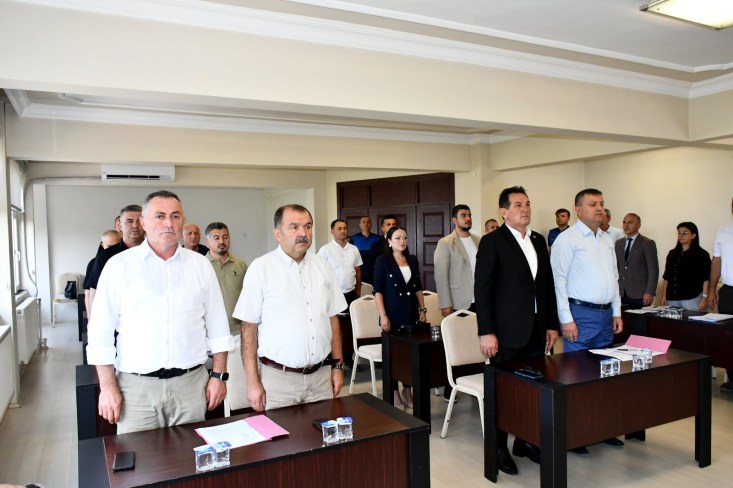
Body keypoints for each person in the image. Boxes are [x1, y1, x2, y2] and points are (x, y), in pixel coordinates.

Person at [86, 190, 233, 434]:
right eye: (160, 216)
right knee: (138, 457)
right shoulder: (119, 266)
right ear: (143, 223)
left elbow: (218, 325)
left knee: (190, 454)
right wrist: (108, 386)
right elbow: (100, 333)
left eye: (175, 216)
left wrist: (218, 376)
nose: (168, 223)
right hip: (136, 389)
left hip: (190, 386)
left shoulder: (200, 265)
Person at [475, 186, 559, 475]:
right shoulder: (493, 242)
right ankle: (498, 447)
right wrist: (486, 331)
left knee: (532, 390)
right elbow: (482, 290)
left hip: (536, 330)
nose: (525, 209)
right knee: (505, 393)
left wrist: (551, 323)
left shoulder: (537, 240)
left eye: (527, 204)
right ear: (504, 212)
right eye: (518, 205)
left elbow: (545, 286)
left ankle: (525, 441)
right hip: (505, 333)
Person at [234, 204, 346, 411]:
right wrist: (252, 382)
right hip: (279, 381)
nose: (303, 233)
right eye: (294, 227)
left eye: (308, 226)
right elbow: (248, 328)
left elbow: (333, 320)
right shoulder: (261, 268)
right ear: (278, 233)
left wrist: (337, 366)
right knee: (280, 433)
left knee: (323, 430)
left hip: (321, 377)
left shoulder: (323, 266)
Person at [551, 188, 624, 453]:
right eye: (593, 204)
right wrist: (566, 319)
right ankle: (575, 434)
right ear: (578, 209)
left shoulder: (606, 239)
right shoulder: (567, 239)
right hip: (579, 315)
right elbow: (558, 281)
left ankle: (601, 428)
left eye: (602, 203)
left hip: (605, 315)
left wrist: (616, 311)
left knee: (604, 376)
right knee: (577, 377)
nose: (599, 208)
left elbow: (614, 278)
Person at [374, 226, 426, 409]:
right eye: (397, 238)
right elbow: (378, 291)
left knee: (410, 355)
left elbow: (418, 287)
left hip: (410, 313)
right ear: (389, 241)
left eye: (404, 237)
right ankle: (394, 391)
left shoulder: (412, 259)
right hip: (392, 314)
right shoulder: (382, 261)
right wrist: (383, 315)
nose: (402, 241)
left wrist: (423, 309)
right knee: (394, 356)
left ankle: (407, 389)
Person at [434, 204, 480, 402]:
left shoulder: (479, 240)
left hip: (479, 300)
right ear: (454, 220)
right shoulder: (445, 243)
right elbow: (440, 275)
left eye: (469, 215)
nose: (467, 218)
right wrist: (445, 303)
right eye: (463, 215)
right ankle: (449, 387)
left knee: (477, 344)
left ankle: (475, 386)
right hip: (457, 301)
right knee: (456, 346)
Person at [86, 204, 145, 318]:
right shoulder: (106, 256)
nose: (135, 225)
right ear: (120, 226)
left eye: (139, 221)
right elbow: (94, 292)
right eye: (129, 221)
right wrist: (92, 321)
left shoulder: (156, 253)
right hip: (115, 318)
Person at [205, 222, 248, 336]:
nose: (221, 241)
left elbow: (249, 297)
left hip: (238, 332)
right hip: (210, 332)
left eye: (225, 237)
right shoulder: (201, 266)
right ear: (207, 242)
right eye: (216, 238)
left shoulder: (241, 264)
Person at [710, 197, 733, 392]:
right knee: (728, 337)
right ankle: (731, 379)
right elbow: (716, 262)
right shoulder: (723, 231)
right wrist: (711, 289)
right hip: (728, 291)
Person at [660, 222, 711, 311]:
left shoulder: (702, 254)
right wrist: (664, 296)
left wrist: (704, 297)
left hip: (692, 298)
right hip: (672, 298)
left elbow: (706, 278)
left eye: (685, 233)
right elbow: (667, 277)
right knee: (671, 320)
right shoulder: (672, 253)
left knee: (692, 320)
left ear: (693, 236)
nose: (681, 235)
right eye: (679, 233)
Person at [615, 213, 659, 308]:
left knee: (639, 318)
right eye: (624, 222)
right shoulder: (618, 244)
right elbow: (616, 268)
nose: (626, 225)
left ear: (638, 225)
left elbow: (653, 270)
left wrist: (650, 292)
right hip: (621, 293)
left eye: (630, 222)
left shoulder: (647, 243)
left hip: (640, 294)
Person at [318, 219, 363, 308]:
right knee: (336, 317)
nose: (343, 231)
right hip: (334, 294)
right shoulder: (325, 250)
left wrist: (358, 290)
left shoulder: (354, 249)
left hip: (351, 293)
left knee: (353, 316)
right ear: (332, 231)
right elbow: (319, 273)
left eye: (345, 228)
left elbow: (358, 270)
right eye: (339, 229)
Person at [83, 229, 121, 319]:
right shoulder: (93, 263)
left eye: (116, 246)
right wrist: (90, 317)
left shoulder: (125, 260)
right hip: (103, 310)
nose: (112, 250)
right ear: (102, 245)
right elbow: (88, 292)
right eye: (109, 247)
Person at [349, 216, 380, 284]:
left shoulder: (378, 238)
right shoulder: (354, 238)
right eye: (363, 222)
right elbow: (350, 256)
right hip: (359, 271)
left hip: (374, 271)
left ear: (371, 224)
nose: (366, 224)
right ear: (360, 225)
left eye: (368, 222)